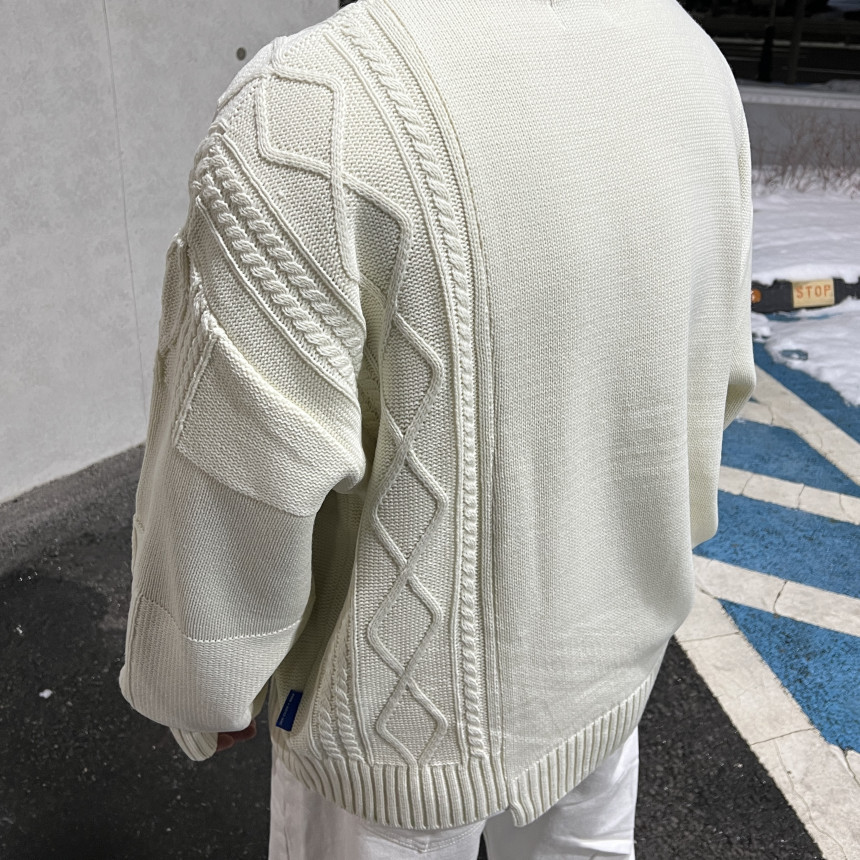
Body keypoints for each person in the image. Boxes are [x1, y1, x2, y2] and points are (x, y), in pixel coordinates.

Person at [118, 0, 756, 857]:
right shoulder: (689, 57)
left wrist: (202, 683)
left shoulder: (310, 106)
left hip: (398, 737)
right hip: (609, 659)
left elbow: (237, 473)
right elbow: (720, 374)